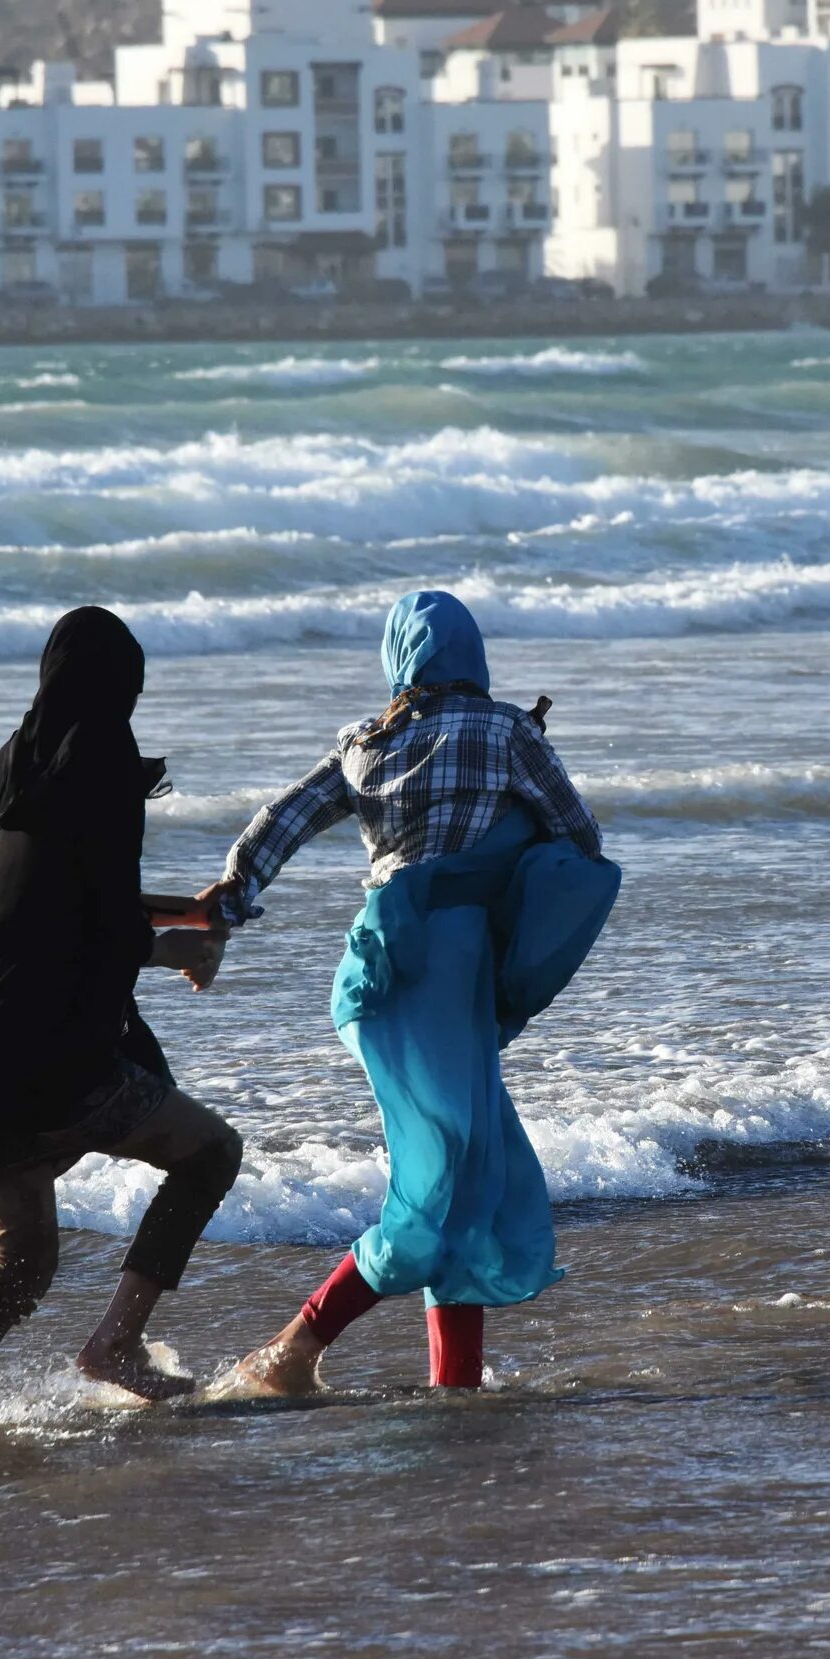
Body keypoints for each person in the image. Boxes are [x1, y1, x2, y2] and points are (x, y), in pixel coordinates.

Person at [199, 590, 617, 1396]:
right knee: (439, 1188)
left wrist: (228, 901)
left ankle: (454, 1385)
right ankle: (291, 1351)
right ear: (475, 660)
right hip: (447, 978)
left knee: (465, 1178)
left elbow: (274, 824)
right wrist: (508, 855)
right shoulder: (506, 731)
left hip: (381, 973)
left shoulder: (365, 740)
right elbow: (582, 838)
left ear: (399, 663)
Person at [0, 606, 242, 1411]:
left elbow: (35, 899)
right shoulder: (102, 754)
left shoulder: (19, 759)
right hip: (42, 1059)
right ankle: (115, 1343)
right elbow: (95, 925)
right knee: (209, 1155)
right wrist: (172, 949)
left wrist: (181, 913)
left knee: (18, 1259)